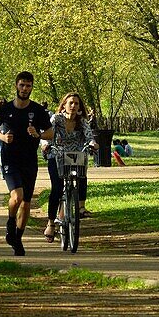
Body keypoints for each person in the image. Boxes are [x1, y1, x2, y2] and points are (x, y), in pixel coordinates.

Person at [0, 71, 53, 256]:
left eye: (28, 86)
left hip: (29, 160)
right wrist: (2, 136)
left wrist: (38, 135)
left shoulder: (37, 111)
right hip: (10, 158)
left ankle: (17, 237)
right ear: (16, 85)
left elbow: (50, 133)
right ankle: (10, 221)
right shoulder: (6, 108)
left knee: (26, 203)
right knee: (17, 197)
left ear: (32, 87)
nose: (25, 89)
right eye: (22, 85)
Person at [43, 92, 97, 242]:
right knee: (57, 187)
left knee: (81, 175)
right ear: (64, 105)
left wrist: (93, 144)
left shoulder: (82, 121)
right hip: (57, 155)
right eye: (70, 103)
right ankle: (51, 223)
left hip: (75, 155)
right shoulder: (56, 119)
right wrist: (45, 145)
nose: (73, 106)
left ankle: (80, 207)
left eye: (76, 103)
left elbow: (89, 136)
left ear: (80, 107)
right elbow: (47, 134)